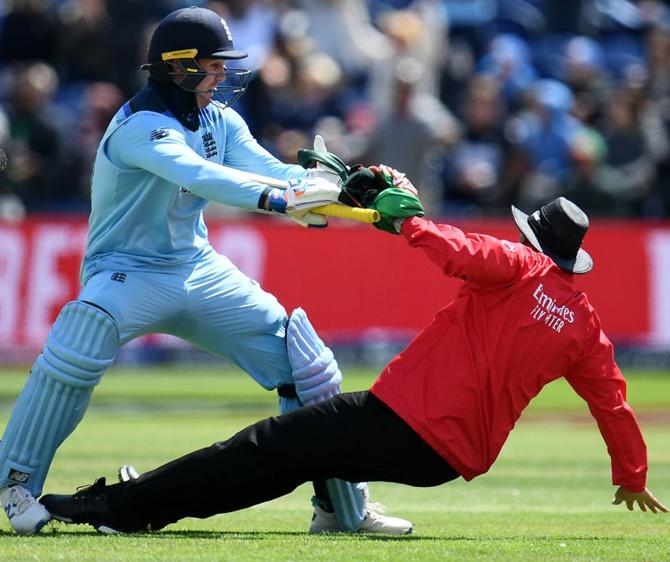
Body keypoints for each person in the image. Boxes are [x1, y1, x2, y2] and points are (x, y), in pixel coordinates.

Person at [0, 6, 411, 536]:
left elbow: (271, 168)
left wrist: (345, 186)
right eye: (213, 65)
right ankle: (16, 485)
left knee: (304, 362)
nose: (223, 76)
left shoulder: (219, 119)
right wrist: (283, 200)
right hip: (126, 270)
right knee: (81, 337)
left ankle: (339, 508)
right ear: (178, 67)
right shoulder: (138, 127)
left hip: (196, 266)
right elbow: (205, 176)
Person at [38, 193, 668, 534]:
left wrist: (407, 223)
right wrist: (633, 474)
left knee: (265, 448)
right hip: (446, 462)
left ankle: (120, 508)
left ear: (533, 240)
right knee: (291, 455)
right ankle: (328, 510)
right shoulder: (584, 326)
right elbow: (612, 402)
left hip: (401, 420)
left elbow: (461, 251)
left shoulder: (517, 266)